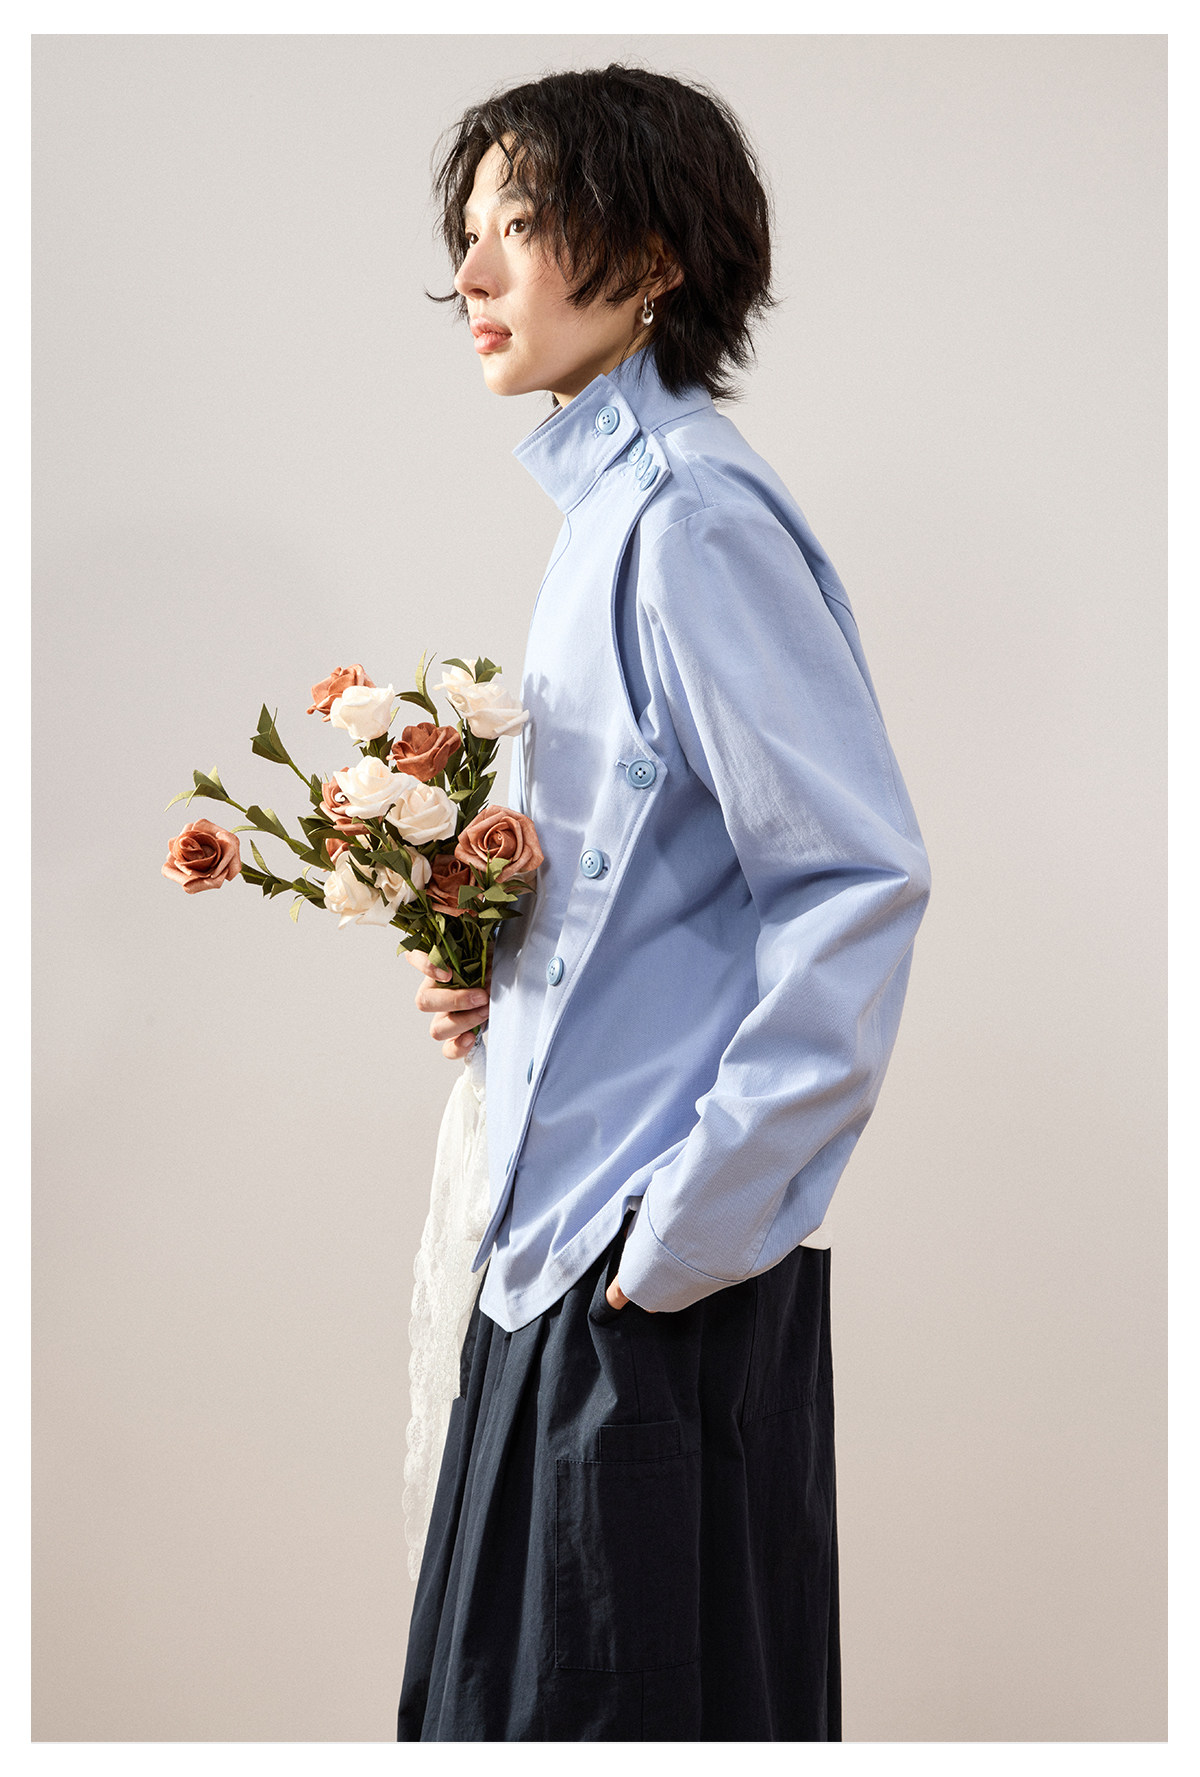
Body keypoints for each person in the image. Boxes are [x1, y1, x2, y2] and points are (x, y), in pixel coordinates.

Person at [397, 64, 930, 1742]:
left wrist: (683, 1233)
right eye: (466, 232)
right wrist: (496, 974)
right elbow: (651, 872)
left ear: (649, 261)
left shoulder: (691, 517)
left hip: (638, 1289)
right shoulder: (608, 512)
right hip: (561, 1264)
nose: (473, 272)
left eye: (521, 223)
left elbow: (853, 878)